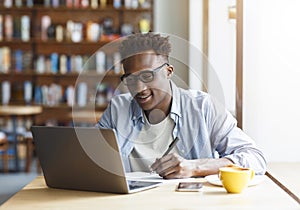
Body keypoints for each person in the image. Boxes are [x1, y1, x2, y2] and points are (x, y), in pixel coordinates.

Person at [96, 32, 267, 179]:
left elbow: (255, 158)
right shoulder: (118, 108)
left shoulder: (202, 107)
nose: (139, 88)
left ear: (168, 71)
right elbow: (89, 158)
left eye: (147, 76)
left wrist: (195, 168)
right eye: (131, 79)